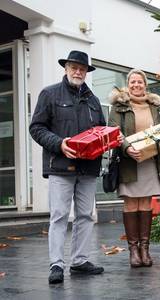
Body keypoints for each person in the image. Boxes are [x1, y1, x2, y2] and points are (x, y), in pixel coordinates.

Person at [29, 50, 107, 284]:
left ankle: (80, 261)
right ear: (66, 68)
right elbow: (37, 128)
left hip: (88, 168)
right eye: (73, 67)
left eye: (82, 68)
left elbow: (101, 130)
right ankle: (56, 264)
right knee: (59, 216)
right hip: (61, 166)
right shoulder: (49, 94)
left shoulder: (93, 100)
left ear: (86, 72)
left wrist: (110, 139)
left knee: (85, 215)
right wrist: (59, 144)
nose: (77, 71)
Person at [108, 69, 160, 268]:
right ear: (127, 84)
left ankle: (144, 249)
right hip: (129, 161)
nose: (136, 85)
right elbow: (114, 131)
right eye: (133, 82)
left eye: (140, 82)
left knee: (146, 203)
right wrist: (127, 149)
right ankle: (133, 251)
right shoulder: (119, 106)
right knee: (131, 204)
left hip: (149, 161)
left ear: (145, 85)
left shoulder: (153, 106)